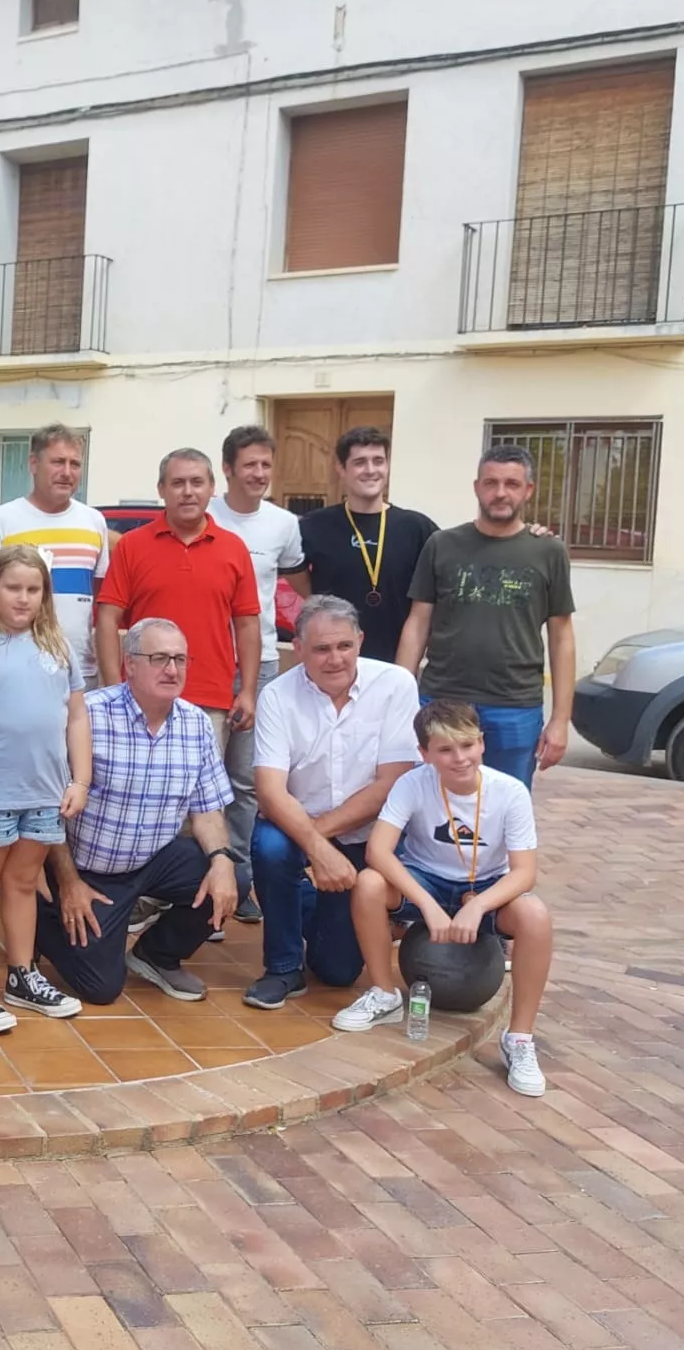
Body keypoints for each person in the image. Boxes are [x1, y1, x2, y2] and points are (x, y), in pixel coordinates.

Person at [331, 701, 555, 1098]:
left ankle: (519, 1037)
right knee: (369, 883)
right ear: (425, 754)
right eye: (445, 749)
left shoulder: (510, 792)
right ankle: (384, 993)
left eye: (467, 745)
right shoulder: (412, 783)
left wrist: (478, 905)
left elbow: (525, 872)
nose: (459, 758)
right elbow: (378, 852)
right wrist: (429, 905)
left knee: (534, 915)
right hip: (427, 881)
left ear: (482, 744)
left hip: (484, 886)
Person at [95, 449, 260, 932]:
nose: (187, 491)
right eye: (177, 483)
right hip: (137, 698)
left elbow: (247, 623)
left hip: (207, 698)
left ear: (212, 488)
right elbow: (109, 619)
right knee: (139, 801)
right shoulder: (133, 546)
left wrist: (246, 689)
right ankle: (142, 897)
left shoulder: (233, 548)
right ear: (161, 490)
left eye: (196, 482)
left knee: (200, 810)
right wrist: (112, 688)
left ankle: (189, 909)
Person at [34, 618, 238, 1005]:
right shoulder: (88, 716)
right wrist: (69, 883)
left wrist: (222, 860)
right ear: (130, 664)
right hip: (84, 868)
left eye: (180, 659)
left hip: (152, 861)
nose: (172, 670)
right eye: (159, 658)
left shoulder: (196, 724)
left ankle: (156, 955)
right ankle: (41, 918)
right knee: (101, 987)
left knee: (232, 876)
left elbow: (208, 811)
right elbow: (48, 809)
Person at [244, 596, 419, 1010]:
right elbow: (270, 790)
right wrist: (315, 848)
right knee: (269, 849)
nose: (335, 658)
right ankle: (283, 967)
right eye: (321, 648)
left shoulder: (395, 684)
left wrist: (316, 841)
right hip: (292, 826)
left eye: (344, 646)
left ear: (360, 640)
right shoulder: (277, 696)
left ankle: (299, 893)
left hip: (362, 834)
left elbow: (393, 781)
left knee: (338, 972)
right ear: (298, 649)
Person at [0, 548, 89, 1031]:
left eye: (34, 590)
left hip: (45, 791)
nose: (24, 598)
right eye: (13, 588)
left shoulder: (58, 646)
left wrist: (80, 780)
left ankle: (22, 975)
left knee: (24, 881)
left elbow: (76, 716)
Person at [396, 445, 577, 787]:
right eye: (491, 483)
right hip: (442, 698)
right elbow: (418, 623)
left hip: (514, 705)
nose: (500, 493)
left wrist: (560, 719)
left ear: (528, 490)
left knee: (505, 808)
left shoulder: (549, 551)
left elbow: (562, 636)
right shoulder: (442, 544)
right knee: (431, 804)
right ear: (477, 486)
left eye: (512, 483)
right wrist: (402, 697)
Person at [208, 425, 309, 924]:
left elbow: (296, 583)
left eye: (266, 465)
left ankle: (241, 881)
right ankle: (190, 878)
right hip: (204, 660)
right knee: (192, 777)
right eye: (249, 465)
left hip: (260, 664)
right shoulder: (205, 515)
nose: (259, 474)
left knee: (246, 779)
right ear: (227, 469)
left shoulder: (284, 525)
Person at [0, 425, 110, 687]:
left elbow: (97, 591)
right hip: (15, 668)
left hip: (79, 669)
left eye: (75, 464)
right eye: (57, 462)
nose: (66, 472)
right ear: (33, 463)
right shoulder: (1, 521)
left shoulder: (94, 522)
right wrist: (8, 633)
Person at [298, 426, 438, 666]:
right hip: (333, 662)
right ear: (341, 468)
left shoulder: (417, 528)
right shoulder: (314, 525)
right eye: (360, 462)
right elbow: (292, 571)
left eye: (378, 461)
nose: (371, 470)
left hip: (395, 662)